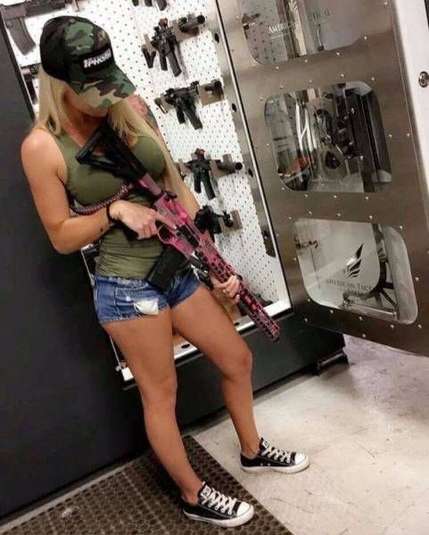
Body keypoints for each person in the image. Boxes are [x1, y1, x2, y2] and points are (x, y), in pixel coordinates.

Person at [21, 16, 310, 529]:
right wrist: (113, 212)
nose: (104, 97)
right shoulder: (43, 147)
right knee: (162, 396)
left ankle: (251, 450)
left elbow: (172, 184)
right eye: (91, 87)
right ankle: (193, 494)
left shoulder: (128, 107)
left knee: (238, 358)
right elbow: (61, 236)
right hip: (127, 287)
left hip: (177, 267)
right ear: (59, 81)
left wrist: (213, 261)